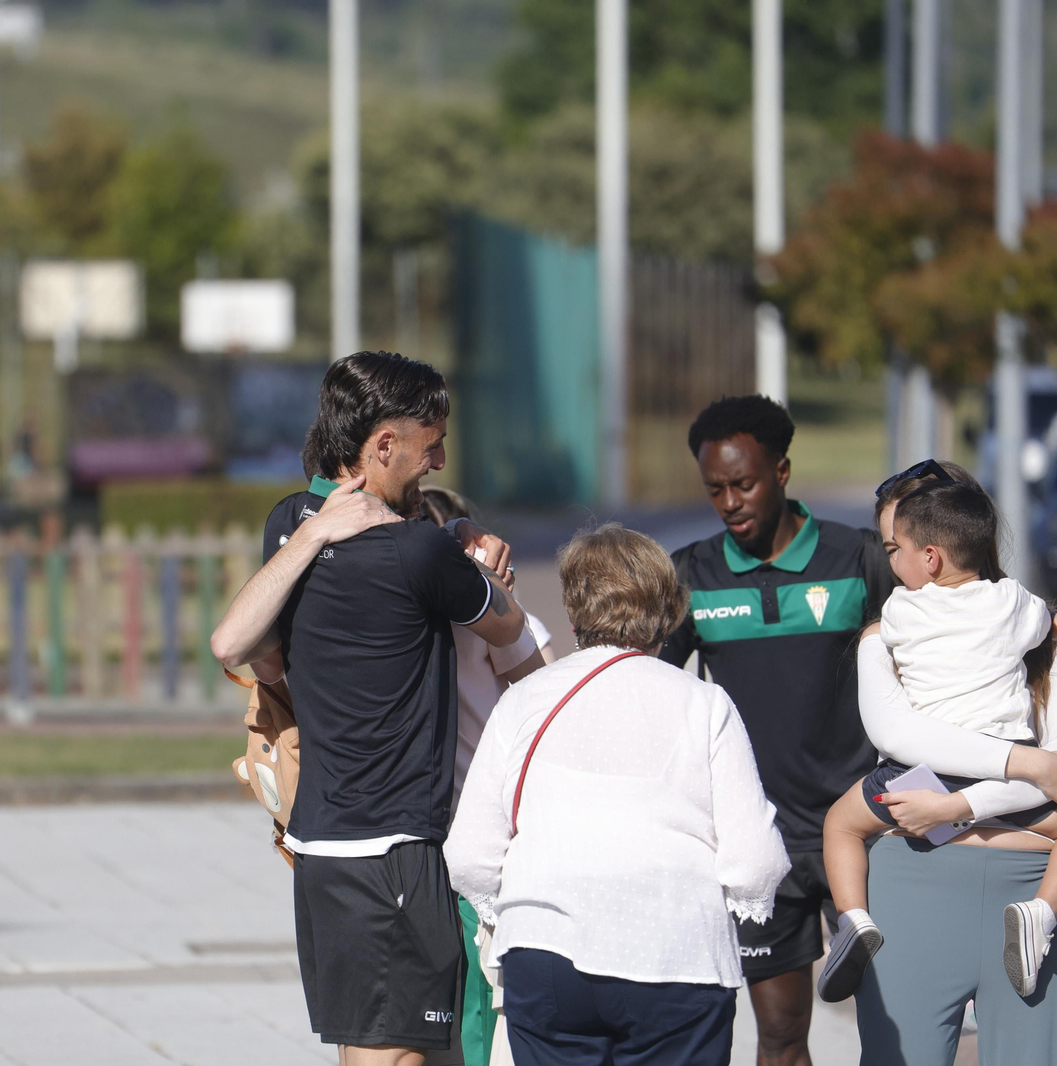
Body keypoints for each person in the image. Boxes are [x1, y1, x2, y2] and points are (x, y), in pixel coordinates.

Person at [210, 351, 527, 1066]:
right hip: (393, 850)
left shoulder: (289, 523)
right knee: (395, 1054)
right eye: (431, 444)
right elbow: (508, 626)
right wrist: (469, 549)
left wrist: (319, 534)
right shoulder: (417, 552)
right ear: (384, 444)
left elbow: (252, 653)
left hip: (322, 842)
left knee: (410, 1048)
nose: (439, 461)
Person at [445, 523, 790, 1066]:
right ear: (668, 612)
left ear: (574, 611)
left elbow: (468, 855)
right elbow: (755, 863)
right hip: (676, 957)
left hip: (545, 953)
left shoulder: (525, 700)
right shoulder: (704, 704)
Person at [658, 395, 894, 1066]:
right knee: (782, 1037)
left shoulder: (858, 560)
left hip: (864, 832)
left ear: (782, 471)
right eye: (715, 490)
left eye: (744, 484)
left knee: (898, 1027)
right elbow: (649, 688)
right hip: (760, 844)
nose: (730, 502)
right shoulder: (692, 575)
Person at [848, 460, 1057, 1066]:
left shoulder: (1054, 628)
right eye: (889, 547)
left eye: (899, 547)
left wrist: (959, 804)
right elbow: (900, 735)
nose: (896, 567)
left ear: (941, 545)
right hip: (910, 893)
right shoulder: (885, 635)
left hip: (1036, 905)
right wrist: (1031, 765)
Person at [421, 485, 553, 1066]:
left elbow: (542, 693)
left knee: (479, 997)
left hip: (475, 824)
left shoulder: (493, 613)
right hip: (412, 827)